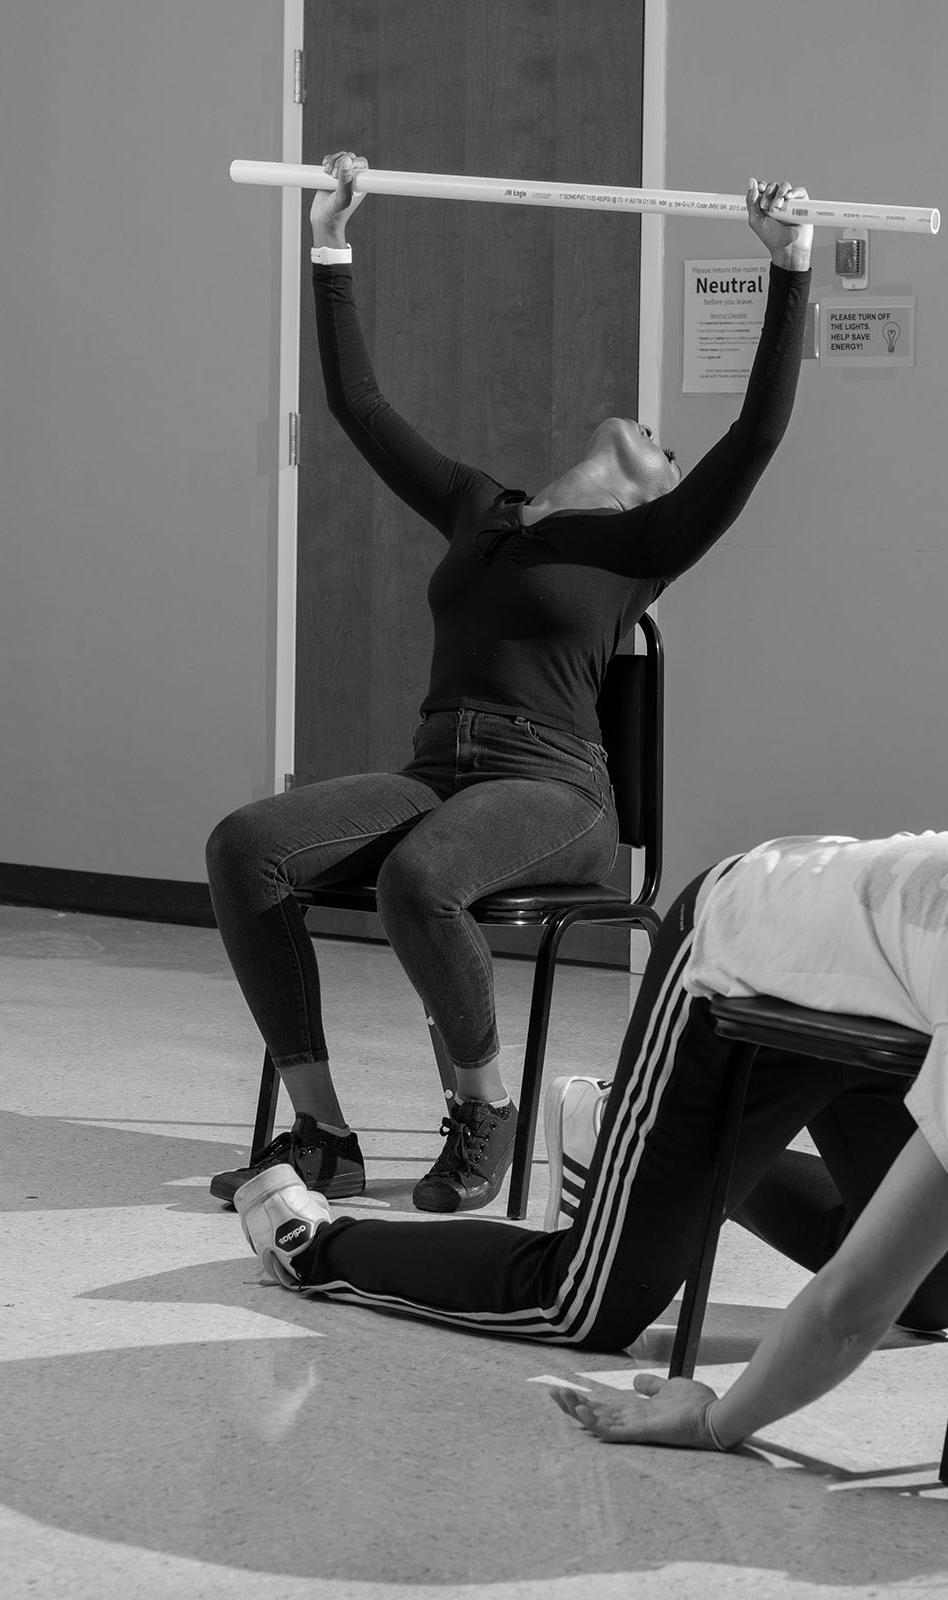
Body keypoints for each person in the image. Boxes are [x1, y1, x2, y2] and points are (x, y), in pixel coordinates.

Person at [236, 829, 948, 1454]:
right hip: (743, 947)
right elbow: (843, 1306)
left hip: (897, 991)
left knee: (937, 1293)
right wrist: (719, 1416)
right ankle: (311, 1238)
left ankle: (626, 1136)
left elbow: (888, 1296)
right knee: (587, 1301)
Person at [205, 153, 815, 1213]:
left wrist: (790, 267)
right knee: (246, 847)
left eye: (669, 454)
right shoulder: (479, 509)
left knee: (420, 878)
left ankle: (482, 1112)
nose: (658, 444)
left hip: (556, 791)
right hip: (438, 771)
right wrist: (331, 240)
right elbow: (357, 405)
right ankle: (323, 1135)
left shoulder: (645, 545)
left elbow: (756, 434)